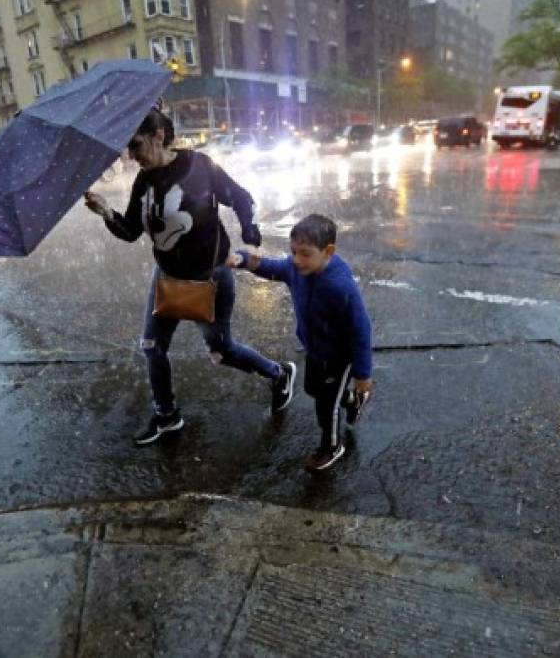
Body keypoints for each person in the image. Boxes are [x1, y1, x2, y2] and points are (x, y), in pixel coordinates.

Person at [83, 109, 297, 446]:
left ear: (157, 136)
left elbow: (240, 197)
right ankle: (167, 415)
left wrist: (248, 226)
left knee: (221, 351)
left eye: (136, 145)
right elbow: (130, 231)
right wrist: (106, 212)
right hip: (167, 277)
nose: (132, 155)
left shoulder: (200, 167)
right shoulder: (144, 180)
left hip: (208, 277)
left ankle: (278, 373)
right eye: (128, 148)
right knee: (152, 347)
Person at [229, 214, 373, 472]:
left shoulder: (339, 285)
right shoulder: (296, 268)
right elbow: (270, 267)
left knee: (326, 405)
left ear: (328, 251)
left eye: (305, 254)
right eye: (293, 252)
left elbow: (361, 329)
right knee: (314, 389)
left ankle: (331, 447)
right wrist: (243, 259)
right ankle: (352, 401)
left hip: (340, 356)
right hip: (315, 349)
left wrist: (362, 374)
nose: (296, 260)